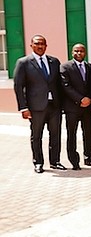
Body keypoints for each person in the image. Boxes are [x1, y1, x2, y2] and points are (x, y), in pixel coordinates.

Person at [13, 35, 64, 173]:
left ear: (46, 46)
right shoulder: (23, 62)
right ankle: (38, 162)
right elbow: (18, 86)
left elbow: (59, 84)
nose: (40, 46)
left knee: (55, 134)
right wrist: (23, 108)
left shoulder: (54, 61)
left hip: (54, 105)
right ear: (31, 45)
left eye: (43, 44)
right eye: (37, 43)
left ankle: (55, 161)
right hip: (35, 107)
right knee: (37, 136)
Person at [60, 43, 91, 169]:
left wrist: (89, 100)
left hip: (87, 107)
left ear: (85, 53)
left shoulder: (90, 67)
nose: (79, 53)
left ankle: (89, 158)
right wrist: (80, 99)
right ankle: (73, 160)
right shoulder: (65, 67)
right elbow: (66, 86)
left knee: (88, 133)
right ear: (72, 53)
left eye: (81, 51)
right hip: (72, 107)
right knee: (72, 134)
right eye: (76, 51)